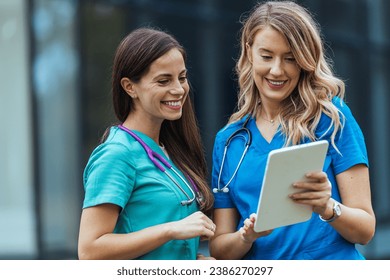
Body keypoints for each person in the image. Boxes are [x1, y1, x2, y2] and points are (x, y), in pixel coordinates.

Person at [209, 1, 375, 260]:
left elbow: (365, 230)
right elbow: (219, 248)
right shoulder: (229, 140)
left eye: (290, 58)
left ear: (304, 61)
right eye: (267, 56)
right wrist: (246, 236)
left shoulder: (330, 117)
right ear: (248, 51)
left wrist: (327, 207)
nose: (277, 70)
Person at [78, 27, 216, 260]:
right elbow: (90, 250)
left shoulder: (168, 150)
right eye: (163, 81)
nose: (178, 89)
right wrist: (171, 230)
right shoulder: (117, 154)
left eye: (182, 78)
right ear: (130, 87)